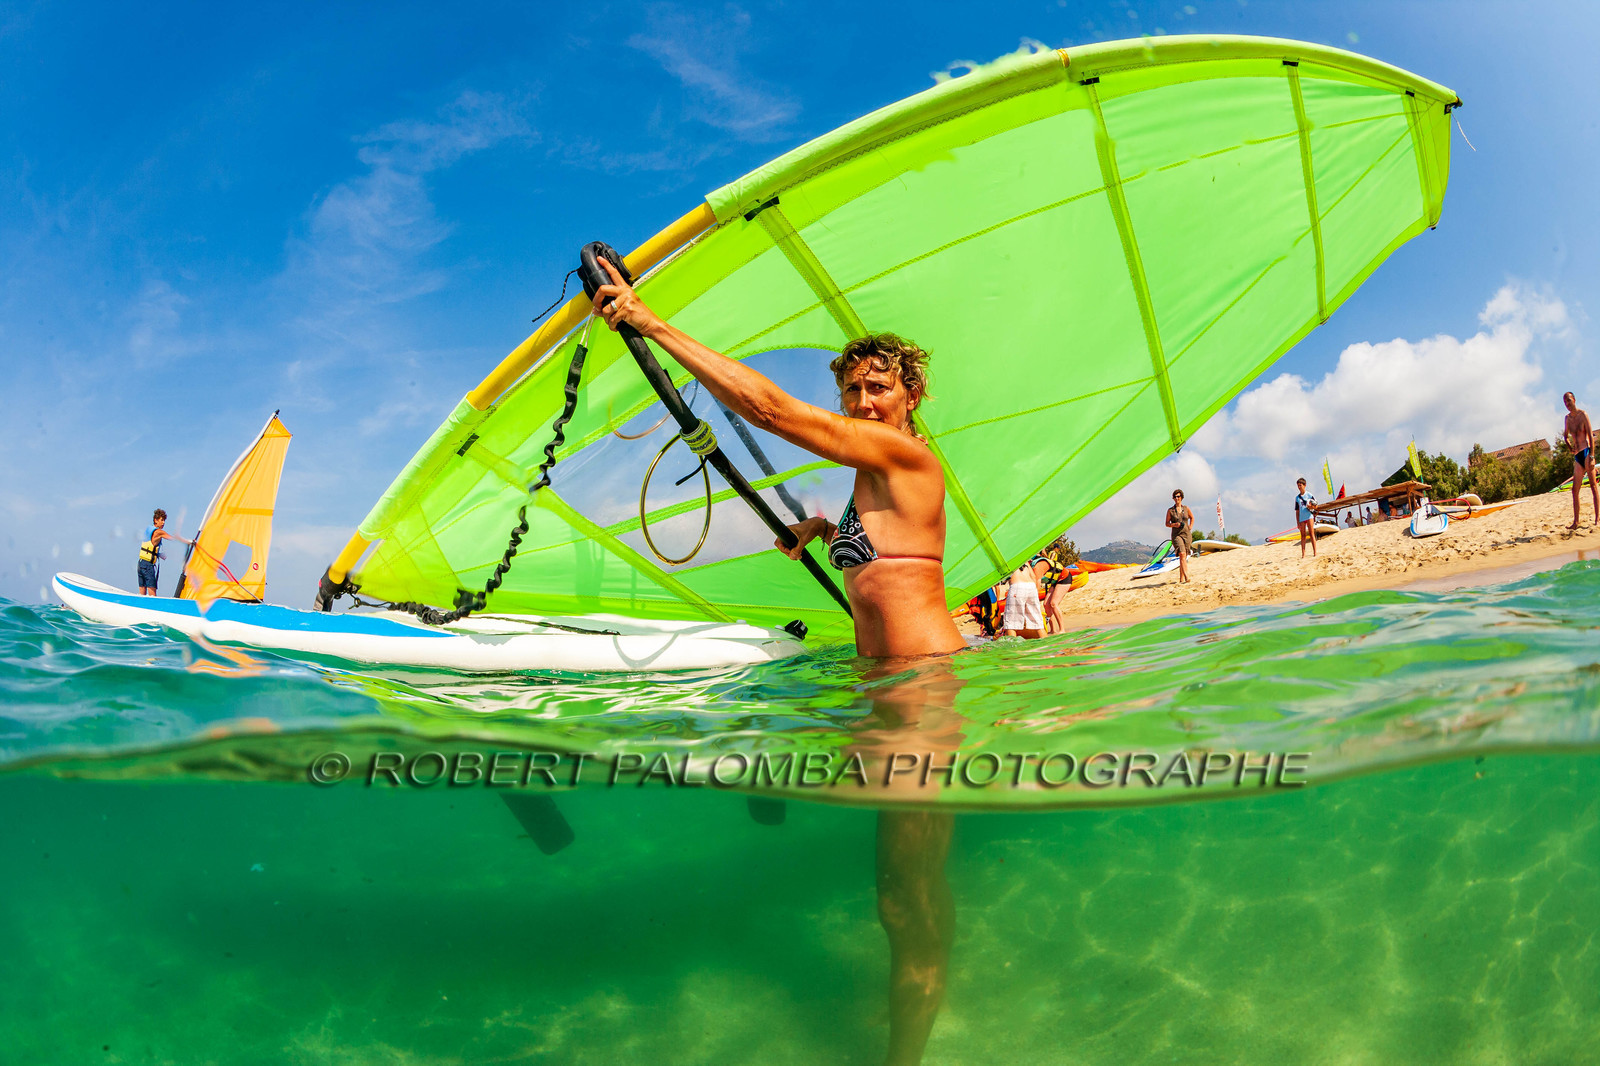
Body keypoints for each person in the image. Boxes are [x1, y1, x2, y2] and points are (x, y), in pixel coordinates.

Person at [591, 257, 961, 1065]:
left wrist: (651, 324)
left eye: (879, 390)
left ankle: (909, 1044)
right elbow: (889, 555)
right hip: (880, 689)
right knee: (900, 889)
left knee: (906, 899)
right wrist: (826, 533)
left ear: (911, 398)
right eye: (854, 391)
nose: (864, 403)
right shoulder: (873, 477)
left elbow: (767, 408)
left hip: (921, 694)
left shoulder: (911, 460)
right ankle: (915, 1000)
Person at [1563, 391, 1598, 529]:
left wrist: (1592, 456)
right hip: (1577, 455)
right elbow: (1565, 436)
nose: (1568, 404)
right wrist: (1569, 446)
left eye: (1569, 401)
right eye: (1565, 402)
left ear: (1574, 400)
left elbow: (1591, 435)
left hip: (1586, 452)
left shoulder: (1583, 415)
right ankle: (1576, 522)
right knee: (1574, 490)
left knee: (1593, 486)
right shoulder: (1567, 419)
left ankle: (1597, 518)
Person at [136, 508, 190, 596]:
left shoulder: (149, 531)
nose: (163, 522)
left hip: (141, 563)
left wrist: (158, 554)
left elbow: (149, 547)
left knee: (142, 593)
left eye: (164, 520)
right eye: (162, 520)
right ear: (155, 520)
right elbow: (174, 539)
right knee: (152, 594)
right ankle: (153, 608)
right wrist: (189, 542)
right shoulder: (158, 532)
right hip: (148, 566)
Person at [999, 561, 1043, 638]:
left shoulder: (1006, 559)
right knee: (1037, 622)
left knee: (1011, 624)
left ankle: (1014, 648)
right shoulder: (1024, 560)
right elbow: (1033, 577)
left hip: (1017, 586)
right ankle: (1047, 646)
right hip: (1031, 587)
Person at [1165, 489, 1194, 582]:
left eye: (1178, 496)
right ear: (1173, 498)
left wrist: (1190, 526)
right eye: (1175, 497)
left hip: (1186, 534)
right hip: (1176, 535)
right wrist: (1174, 524)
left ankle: (1181, 578)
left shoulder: (1186, 508)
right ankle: (1186, 577)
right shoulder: (1170, 511)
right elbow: (1167, 523)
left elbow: (1192, 517)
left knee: (1184, 556)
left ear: (1181, 497)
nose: (1177, 498)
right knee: (1181, 553)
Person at [1294, 478, 1317, 557]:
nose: (1299, 487)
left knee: (1311, 534)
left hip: (1309, 516)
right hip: (1302, 518)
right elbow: (1297, 511)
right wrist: (1298, 522)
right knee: (1303, 536)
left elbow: (1316, 506)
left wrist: (1311, 506)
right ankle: (1303, 554)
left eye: (1300, 485)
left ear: (1305, 485)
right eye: (1298, 486)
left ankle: (1315, 553)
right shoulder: (1297, 498)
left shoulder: (1309, 495)